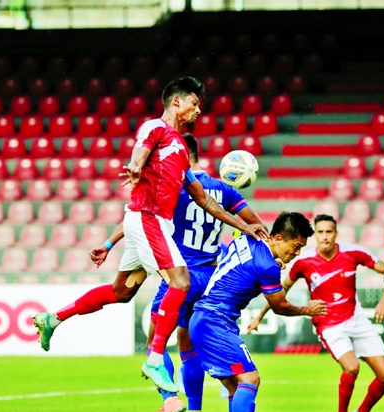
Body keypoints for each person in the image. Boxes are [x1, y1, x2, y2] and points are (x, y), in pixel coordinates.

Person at [32, 77, 268, 392]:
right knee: (180, 281)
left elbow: (205, 200)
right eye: (195, 103)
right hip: (148, 219)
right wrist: (135, 166)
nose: (199, 110)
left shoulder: (182, 152)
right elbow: (140, 151)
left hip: (145, 221)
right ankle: (155, 357)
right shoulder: (156, 128)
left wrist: (245, 225)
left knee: (122, 292)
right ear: (177, 102)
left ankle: (54, 319)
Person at [90, 133, 267, 412]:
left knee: (154, 345)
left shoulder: (172, 187)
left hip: (179, 276)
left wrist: (107, 243)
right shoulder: (223, 189)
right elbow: (256, 226)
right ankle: (196, 411)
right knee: (187, 346)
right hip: (209, 276)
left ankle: (170, 401)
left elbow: (138, 218)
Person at [189, 212, 326, 412]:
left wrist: (275, 258)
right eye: (295, 246)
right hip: (215, 320)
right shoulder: (268, 265)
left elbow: (250, 252)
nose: (296, 253)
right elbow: (279, 306)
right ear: (277, 238)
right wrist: (307, 309)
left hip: (204, 320)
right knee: (250, 378)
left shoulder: (246, 238)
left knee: (234, 385)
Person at [249, 214, 384, 412]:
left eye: (329, 232)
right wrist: (259, 316)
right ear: (314, 235)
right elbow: (279, 292)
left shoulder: (353, 253)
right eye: (320, 232)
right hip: (328, 324)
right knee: (352, 367)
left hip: (356, 319)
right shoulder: (303, 263)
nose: (325, 236)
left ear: (336, 234)